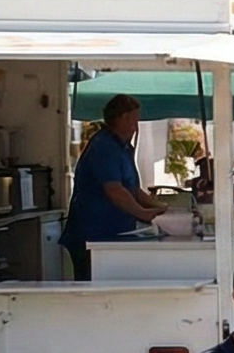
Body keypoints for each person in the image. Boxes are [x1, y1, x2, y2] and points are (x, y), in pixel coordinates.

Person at [65, 93, 166, 279]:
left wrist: (162, 208)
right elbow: (114, 190)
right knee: (93, 289)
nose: (135, 127)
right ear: (122, 118)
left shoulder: (123, 147)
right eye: (133, 120)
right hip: (93, 235)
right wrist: (142, 213)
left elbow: (133, 189)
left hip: (115, 233)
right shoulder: (104, 146)